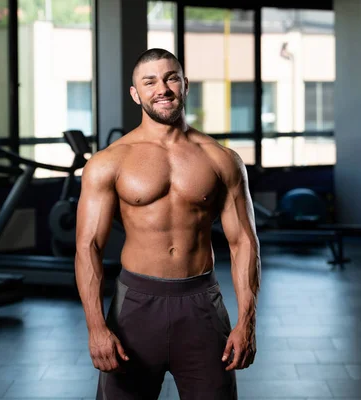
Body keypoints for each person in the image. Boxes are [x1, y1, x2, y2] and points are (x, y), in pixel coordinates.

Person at [74, 48, 261, 400]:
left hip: (202, 304)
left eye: (171, 78)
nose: (162, 88)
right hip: (136, 307)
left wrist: (247, 321)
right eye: (150, 81)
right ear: (136, 93)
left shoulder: (221, 159)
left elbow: (244, 243)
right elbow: (89, 247)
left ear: (185, 85)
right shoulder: (109, 162)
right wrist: (96, 326)